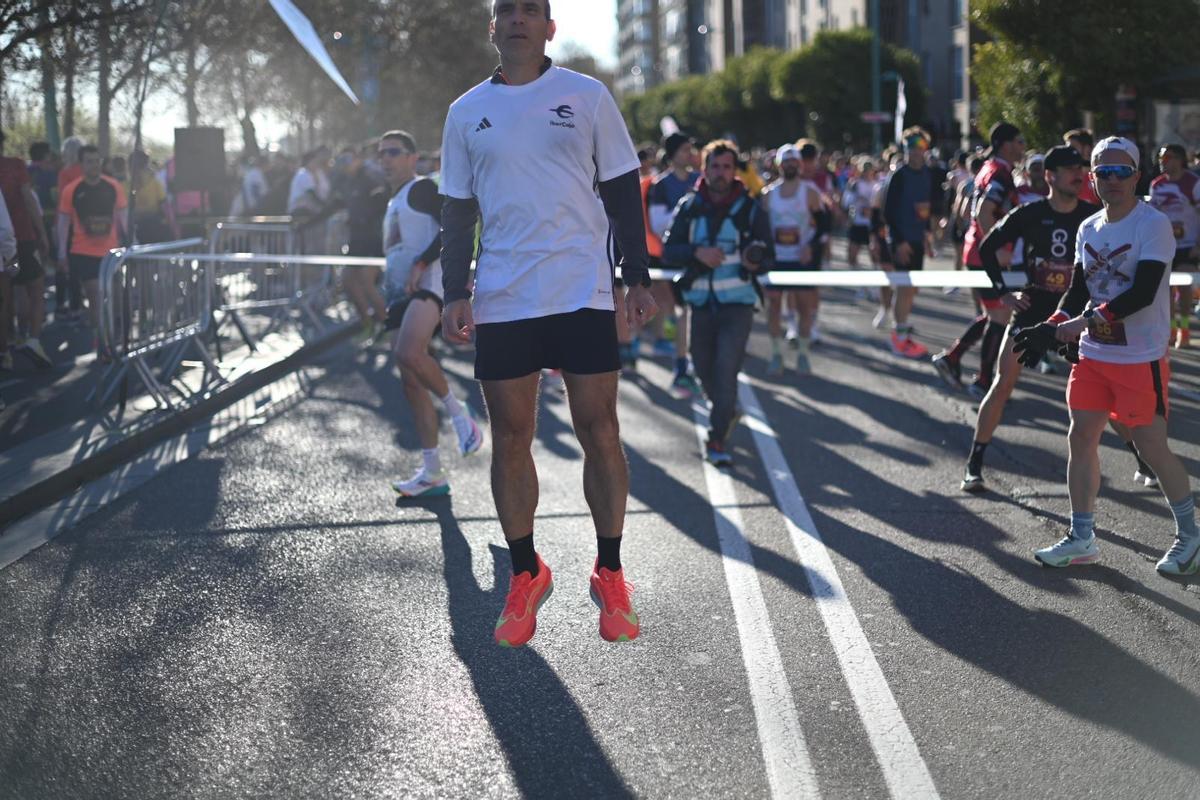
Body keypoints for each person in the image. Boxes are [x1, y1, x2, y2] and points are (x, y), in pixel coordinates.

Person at [439, 0, 657, 646]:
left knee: (601, 428)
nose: (517, 19)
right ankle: (525, 570)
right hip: (503, 295)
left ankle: (610, 571)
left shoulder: (587, 97)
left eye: (530, 11)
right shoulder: (462, 113)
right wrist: (456, 291)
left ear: (549, 29)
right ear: (493, 27)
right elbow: (456, 209)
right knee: (511, 436)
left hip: (581, 289)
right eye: (507, 10)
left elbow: (622, 190)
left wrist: (635, 277)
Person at [1013, 137, 1198, 575]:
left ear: (1137, 175)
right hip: (1094, 355)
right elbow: (1079, 291)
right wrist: (1050, 324)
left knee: (1152, 447)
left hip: (1140, 357)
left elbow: (1141, 293)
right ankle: (1082, 538)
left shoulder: (1151, 224)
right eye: (1103, 173)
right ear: (1092, 179)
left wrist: (1069, 327)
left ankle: (1190, 536)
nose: (1113, 180)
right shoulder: (1089, 228)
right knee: (1081, 438)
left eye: (1122, 172)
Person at [960, 146, 1099, 492]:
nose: (1077, 175)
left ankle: (1142, 461)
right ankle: (974, 463)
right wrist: (1003, 292)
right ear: (1049, 176)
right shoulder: (1030, 213)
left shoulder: (1093, 215)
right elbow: (987, 248)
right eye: (1069, 169)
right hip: (1034, 310)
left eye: (1079, 168)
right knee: (1003, 382)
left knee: (1103, 389)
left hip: (1078, 313)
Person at [374, 130, 484, 498]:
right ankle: (432, 471)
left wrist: (423, 263)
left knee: (409, 353)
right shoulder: (394, 199)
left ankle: (459, 412)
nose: (385, 159)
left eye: (393, 152)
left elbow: (453, 226)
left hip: (430, 285)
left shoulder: (422, 188)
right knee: (410, 381)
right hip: (400, 293)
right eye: (381, 154)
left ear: (412, 157)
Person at [664, 139, 773, 464]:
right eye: (715, 166)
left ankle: (716, 439)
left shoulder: (751, 207)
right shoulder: (689, 205)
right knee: (702, 370)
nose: (721, 173)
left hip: (737, 306)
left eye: (727, 167)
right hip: (700, 305)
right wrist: (697, 252)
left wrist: (757, 260)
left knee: (726, 370)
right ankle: (725, 413)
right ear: (704, 168)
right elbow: (670, 251)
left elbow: (769, 253)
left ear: (735, 170)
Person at [933, 122, 1026, 393]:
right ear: (1006, 144)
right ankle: (983, 380)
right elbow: (984, 212)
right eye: (1019, 141)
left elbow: (968, 214)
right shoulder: (999, 172)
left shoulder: (991, 168)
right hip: (984, 255)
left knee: (997, 313)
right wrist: (994, 248)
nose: (1022, 147)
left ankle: (953, 358)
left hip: (977, 251)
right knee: (999, 316)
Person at [56, 145, 127, 354]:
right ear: (81, 164)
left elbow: (124, 216)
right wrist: (61, 253)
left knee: (114, 297)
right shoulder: (72, 189)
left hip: (111, 252)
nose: (94, 166)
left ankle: (114, 336)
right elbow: (62, 223)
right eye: (89, 161)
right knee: (95, 297)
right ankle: (101, 341)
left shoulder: (113, 186)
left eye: (97, 161)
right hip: (83, 251)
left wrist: (133, 243)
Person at [646, 131, 701, 396]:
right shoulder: (661, 185)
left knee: (694, 313)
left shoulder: (698, 180)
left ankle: (693, 367)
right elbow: (658, 224)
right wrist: (685, 218)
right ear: (672, 154)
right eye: (684, 150)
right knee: (681, 312)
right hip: (674, 258)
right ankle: (681, 369)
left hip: (699, 257)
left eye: (691, 150)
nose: (689, 155)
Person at [761, 143, 824, 375]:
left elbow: (823, 227)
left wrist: (811, 247)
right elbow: (762, 229)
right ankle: (777, 353)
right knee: (774, 306)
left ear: (799, 165)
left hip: (800, 259)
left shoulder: (810, 192)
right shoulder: (769, 194)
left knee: (804, 308)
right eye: (785, 162)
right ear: (779, 165)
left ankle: (804, 354)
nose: (789, 166)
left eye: (793, 162)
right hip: (777, 260)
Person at [881, 127, 937, 358]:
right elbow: (888, 212)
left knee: (913, 288)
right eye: (912, 148)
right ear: (905, 150)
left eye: (920, 148)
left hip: (917, 238)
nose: (916, 153)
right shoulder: (899, 176)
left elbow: (926, 208)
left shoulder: (927, 174)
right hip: (901, 240)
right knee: (905, 288)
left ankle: (901, 327)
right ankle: (898, 337)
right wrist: (900, 241)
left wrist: (927, 237)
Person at [0, 129, 51, 369]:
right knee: (35, 286)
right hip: (20, 238)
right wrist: (42, 232)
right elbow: (28, 198)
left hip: (7, 245)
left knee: (11, 291)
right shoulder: (15, 166)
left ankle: (9, 345)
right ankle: (32, 339)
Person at [1148, 143, 1200, 348]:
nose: (1163, 161)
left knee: (1185, 288)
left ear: (1180, 160)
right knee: (1166, 290)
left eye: (1168, 157)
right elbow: (1152, 216)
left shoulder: (1193, 183)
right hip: (1165, 244)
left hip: (1189, 245)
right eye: (1161, 157)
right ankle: (1171, 329)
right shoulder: (1156, 184)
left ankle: (1184, 329)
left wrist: (1198, 244)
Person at [341, 145, 388, 339]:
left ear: (358, 158)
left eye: (348, 159)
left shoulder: (370, 176)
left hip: (373, 240)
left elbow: (383, 200)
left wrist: (364, 217)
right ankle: (368, 325)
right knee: (348, 281)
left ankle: (388, 326)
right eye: (341, 160)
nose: (345, 164)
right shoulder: (349, 181)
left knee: (367, 283)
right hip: (356, 241)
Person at [125, 150, 169, 244]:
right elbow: (163, 204)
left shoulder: (125, 185)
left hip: (148, 226)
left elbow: (163, 203)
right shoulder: (154, 182)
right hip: (143, 227)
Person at [1064, 128, 1101, 205]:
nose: (1067, 152)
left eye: (1072, 148)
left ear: (1087, 149)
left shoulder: (1100, 176)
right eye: (1066, 148)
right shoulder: (1064, 177)